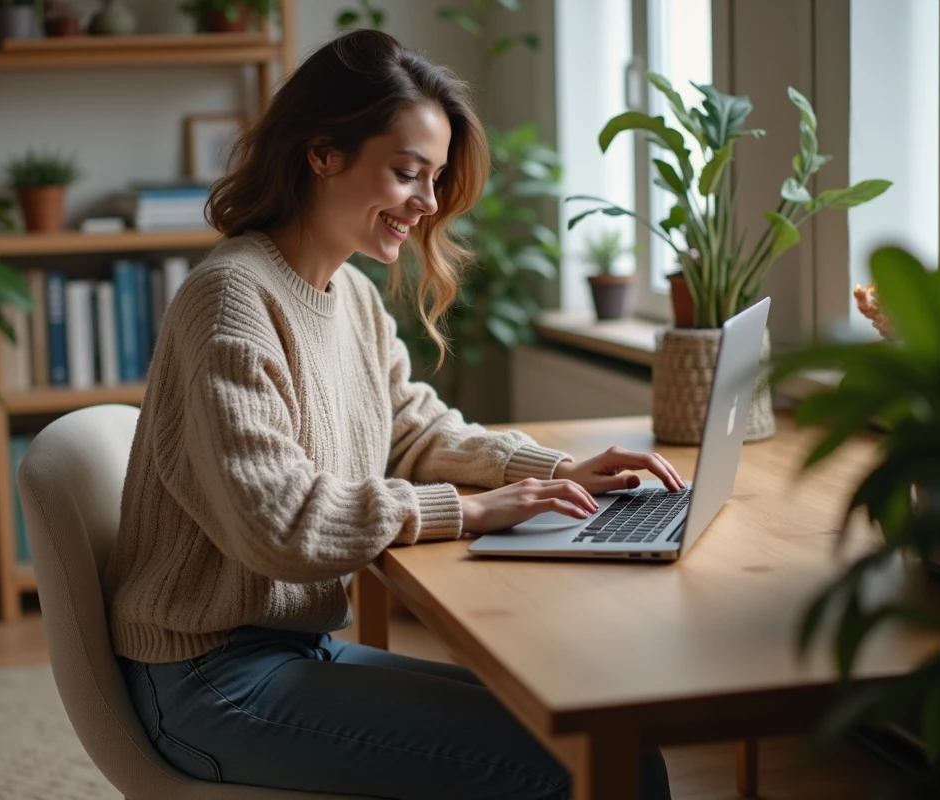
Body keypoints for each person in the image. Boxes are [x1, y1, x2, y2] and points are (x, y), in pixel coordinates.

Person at [104, 28, 681, 800]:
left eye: (436, 179)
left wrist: (556, 471)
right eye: (408, 173)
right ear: (322, 153)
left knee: (604, 739)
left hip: (290, 651)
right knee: (598, 770)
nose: (429, 204)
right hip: (208, 684)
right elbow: (280, 523)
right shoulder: (230, 300)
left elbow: (411, 429)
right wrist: (469, 513)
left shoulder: (351, 298)